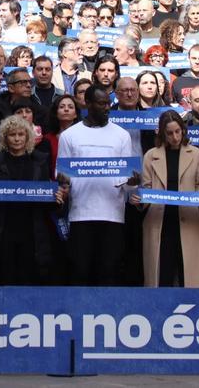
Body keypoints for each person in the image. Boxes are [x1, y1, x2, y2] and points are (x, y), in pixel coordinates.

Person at [58, 84, 136, 286]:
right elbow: (62, 174)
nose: (107, 108)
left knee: (109, 272)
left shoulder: (122, 135)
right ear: (88, 104)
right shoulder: (69, 136)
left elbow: (126, 177)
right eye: (102, 104)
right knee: (80, 272)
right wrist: (63, 181)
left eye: (108, 103)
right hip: (81, 214)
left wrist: (132, 181)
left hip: (112, 215)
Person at [134, 111, 199, 287]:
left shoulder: (195, 153)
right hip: (159, 219)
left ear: (183, 130)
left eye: (178, 131)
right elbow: (147, 188)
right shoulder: (151, 155)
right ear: (162, 134)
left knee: (188, 273)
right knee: (161, 273)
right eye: (170, 133)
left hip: (188, 218)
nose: (175, 137)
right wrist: (140, 200)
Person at [0, 115, 60, 285]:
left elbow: (47, 200)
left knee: (29, 279)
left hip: (33, 231)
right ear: (5, 137)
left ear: (28, 136)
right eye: (12, 135)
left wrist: (57, 197)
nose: (17, 138)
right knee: (5, 279)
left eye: (20, 134)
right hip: (3, 231)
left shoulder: (40, 161)